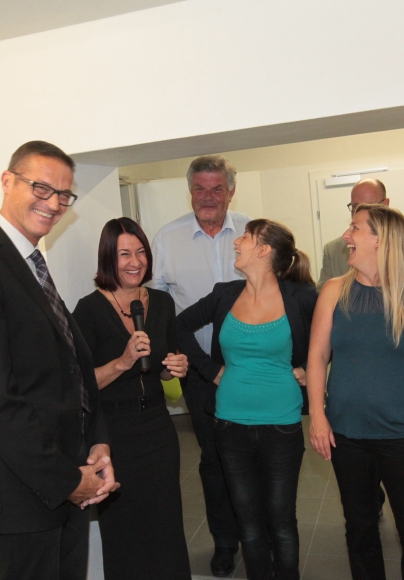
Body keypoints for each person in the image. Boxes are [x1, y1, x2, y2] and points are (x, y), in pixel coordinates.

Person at [0, 141, 117, 579]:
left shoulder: (32, 262)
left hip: (66, 477)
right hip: (21, 491)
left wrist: (97, 443)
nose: (53, 204)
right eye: (41, 188)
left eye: (64, 195)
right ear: (7, 181)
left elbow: (69, 368)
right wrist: (67, 480)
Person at [175, 219, 317, 580]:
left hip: (282, 425)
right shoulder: (225, 294)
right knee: (249, 523)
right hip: (229, 424)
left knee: (281, 522)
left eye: (246, 237)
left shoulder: (301, 297)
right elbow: (178, 326)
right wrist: (210, 370)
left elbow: (335, 338)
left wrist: (310, 368)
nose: (237, 242)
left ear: (264, 250)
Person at [307, 204, 404, 580]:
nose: (346, 236)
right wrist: (317, 415)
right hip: (347, 434)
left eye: (355, 228)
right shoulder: (333, 291)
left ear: (381, 239)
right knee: (360, 527)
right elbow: (317, 356)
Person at [72, 218, 191, 579]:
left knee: (165, 525)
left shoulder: (162, 302)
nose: (135, 262)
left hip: (158, 429)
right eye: (124, 254)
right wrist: (122, 362)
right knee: (124, 532)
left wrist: (175, 367)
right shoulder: (88, 310)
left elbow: (163, 369)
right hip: (113, 435)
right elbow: (79, 385)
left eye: (141, 252)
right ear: (109, 258)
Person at [152, 154, 250, 575]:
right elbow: (158, 308)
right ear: (189, 191)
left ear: (231, 191)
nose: (208, 197)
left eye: (217, 188)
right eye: (200, 189)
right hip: (199, 372)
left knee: (255, 458)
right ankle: (225, 542)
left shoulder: (253, 232)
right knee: (213, 460)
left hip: (249, 370)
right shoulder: (167, 238)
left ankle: (258, 535)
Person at [317, 178, 404, 288]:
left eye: (370, 206)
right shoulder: (333, 250)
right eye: (355, 206)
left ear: (385, 204)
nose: (361, 211)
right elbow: (322, 295)